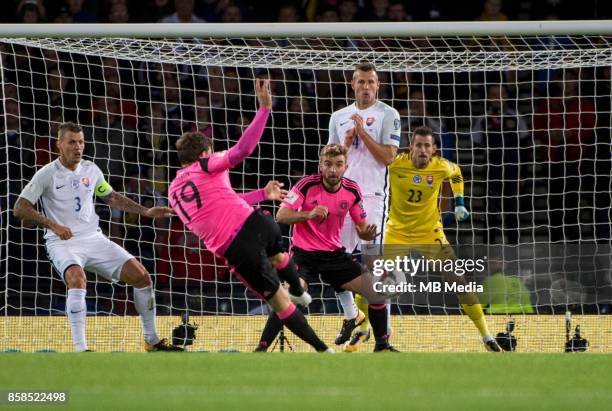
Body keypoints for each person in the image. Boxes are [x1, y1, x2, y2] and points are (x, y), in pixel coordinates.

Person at [168, 79, 331, 352]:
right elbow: (243, 150)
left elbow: (219, 206)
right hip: (259, 223)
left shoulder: (174, 192)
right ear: (204, 152)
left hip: (236, 246)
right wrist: (264, 110)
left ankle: (324, 350)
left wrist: (260, 193)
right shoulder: (207, 163)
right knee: (279, 256)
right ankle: (300, 290)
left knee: (280, 303)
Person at [13, 122, 182, 352]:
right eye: (72, 142)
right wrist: (52, 224)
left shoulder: (91, 170)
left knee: (142, 276)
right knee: (76, 278)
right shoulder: (47, 174)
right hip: (63, 242)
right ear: (59, 145)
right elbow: (20, 208)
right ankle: (82, 349)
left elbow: (111, 197)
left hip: (93, 238)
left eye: (81, 142)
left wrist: (145, 211)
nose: (78, 147)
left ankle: (151, 341)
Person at [254, 144, 398, 352]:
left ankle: (382, 345)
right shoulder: (305, 185)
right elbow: (281, 215)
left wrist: (365, 233)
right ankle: (261, 349)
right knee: (288, 297)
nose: (333, 169)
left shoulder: (352, 190)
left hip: (333, 254)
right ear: (320, 166)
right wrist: (308, 214)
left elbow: (362, 227)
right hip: (304, 255)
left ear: (345, 167)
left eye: (338, 165)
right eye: (328, 164)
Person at [384, 126, 502, 351]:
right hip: (396, 231)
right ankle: (363, 327)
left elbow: (456, 171)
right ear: (411, 147)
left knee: (459, 281)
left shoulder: (440, 166)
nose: (423, 149)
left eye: (427, 145)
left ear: (434, 149)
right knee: (378, 283)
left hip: (430, 232)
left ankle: (486, 336)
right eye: (418, 145)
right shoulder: (396, 163)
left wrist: (459, 202)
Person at [327, 62, 400, 350]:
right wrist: (345, 143)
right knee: (334, 261)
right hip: (341, 197)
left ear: (378, 85)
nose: (366, 87)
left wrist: (363, 133)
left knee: (376, 267)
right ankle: (351, 316)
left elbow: (389, 157)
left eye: (371, 82)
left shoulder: (388, 114)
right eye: (361, 82)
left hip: (371, 199)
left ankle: (385, 333)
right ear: (352, 84)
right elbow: (330, 161)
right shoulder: (338, 116)